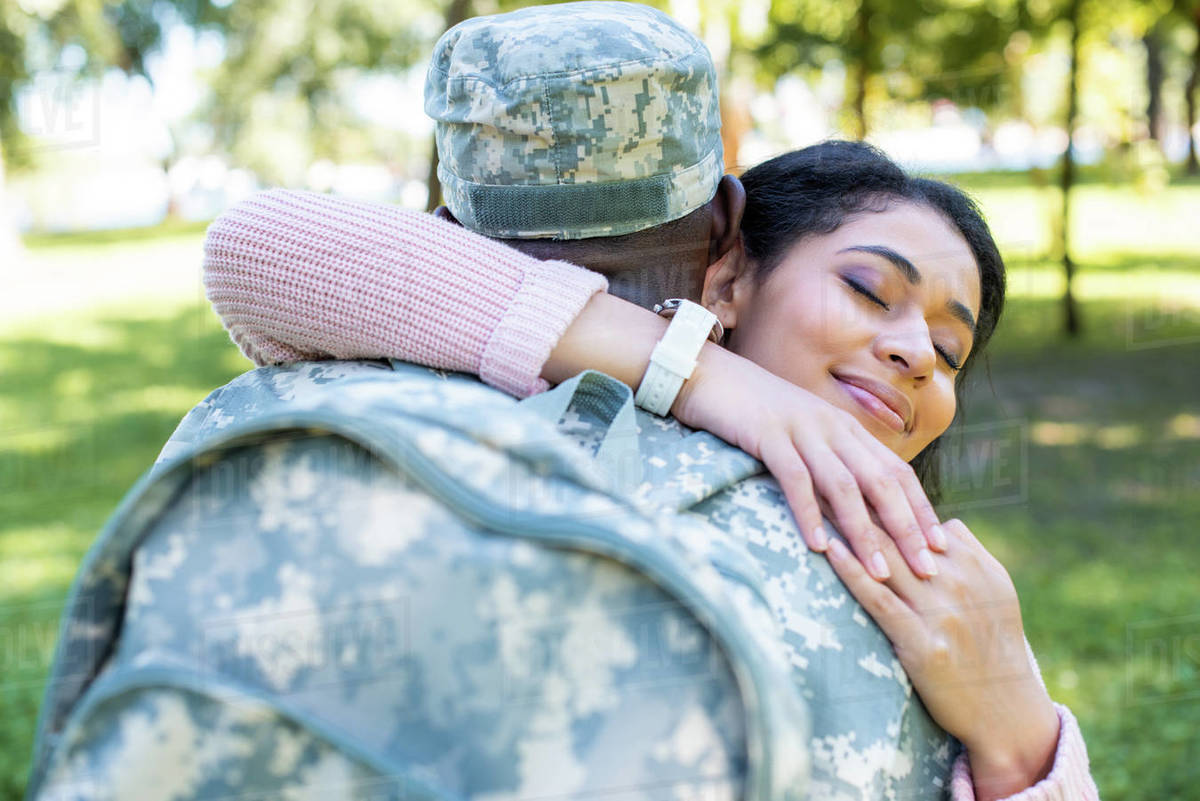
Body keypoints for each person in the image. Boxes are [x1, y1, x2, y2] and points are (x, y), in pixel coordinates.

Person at [196, 4, 1101, 799]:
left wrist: (1019, 726)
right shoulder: (816, 580)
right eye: (867, 288)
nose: (915, 352)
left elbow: (260, 249)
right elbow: (263, 249)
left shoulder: (253, 423)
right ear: (729, 267)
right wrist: (707, 374)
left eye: (950, 351)